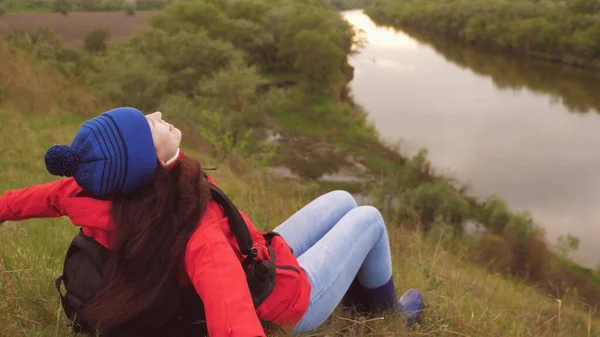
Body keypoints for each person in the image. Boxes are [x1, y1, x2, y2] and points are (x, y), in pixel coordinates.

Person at [0, 107, 423, 336]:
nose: (158, 114)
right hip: (289, 299)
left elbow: (22, 201)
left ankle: (356, 291)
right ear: (156, 163)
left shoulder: (90, 193)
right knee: (367, 217)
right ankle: (388, 312)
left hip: (262, 256)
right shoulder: (196, 232)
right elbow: (232, 319)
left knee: (342, 197)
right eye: (149, 126)